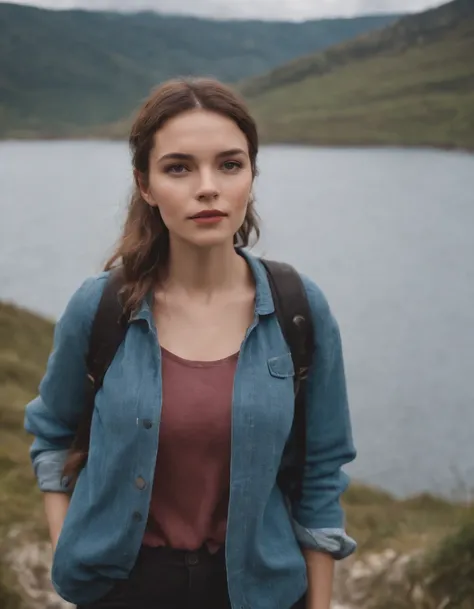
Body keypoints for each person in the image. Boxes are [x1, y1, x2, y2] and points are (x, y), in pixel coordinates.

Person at [24, 77, 357, 609]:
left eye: (230, 164)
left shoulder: (300, 309)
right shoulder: (101, 308)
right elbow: (53, 435)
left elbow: (320, 475)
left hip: (259, 592)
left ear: (251, 175)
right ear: (146, 185)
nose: (208, 187)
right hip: (124, 590)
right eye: (179, 167)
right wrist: (73, 552)